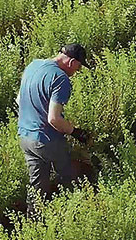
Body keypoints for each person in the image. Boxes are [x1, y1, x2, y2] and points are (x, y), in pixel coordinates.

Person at [17, 42, 92, 204]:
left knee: (37, 187)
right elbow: (54, 119)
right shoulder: (61, 79)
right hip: (47, 140)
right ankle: (72, 215)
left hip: (25, 138)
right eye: (78, 68)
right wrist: (76, 132)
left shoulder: (33, 65)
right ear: (72, 62)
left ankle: (34, 223)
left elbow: (19, 100)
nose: (76, 72)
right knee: (69, 178)